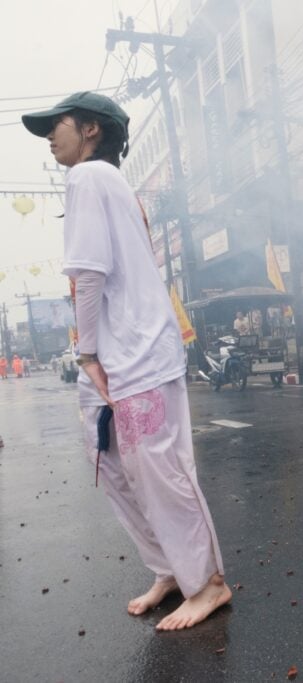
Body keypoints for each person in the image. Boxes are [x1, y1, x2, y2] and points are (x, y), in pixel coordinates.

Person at [23, 91, 230, 629]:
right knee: (114, 467)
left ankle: (207, 582)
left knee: (158, 471)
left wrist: (86, 351)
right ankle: (168, 568)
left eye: (57, 125)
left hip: (132, 355)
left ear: (91, 130)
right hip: (120, 354)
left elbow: (87, 272)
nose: (49, 135)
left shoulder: (90, 178)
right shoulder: (108, 184)